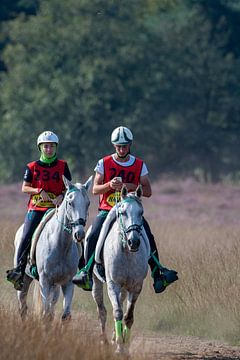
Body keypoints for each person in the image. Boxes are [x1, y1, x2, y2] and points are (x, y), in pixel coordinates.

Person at [72, 126, 178, 293]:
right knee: (93, 235)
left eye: (125, 146)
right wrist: (109, 185)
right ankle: (85, 271)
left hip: (130, 211)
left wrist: (129, 186)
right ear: (114, 146)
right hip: (108, 209)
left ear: (130, 145)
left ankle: (158, 273)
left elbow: (148, 191)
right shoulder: (104, 163)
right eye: (118, 146)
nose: (122, 149)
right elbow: (95, 190)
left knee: (148, 235)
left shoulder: (139, 165)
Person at [6, 131, 72, 291]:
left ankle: (81, 269)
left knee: (75, 234)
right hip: (37, 208)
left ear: (56, 148)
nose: (49, 149)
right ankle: (19, 272)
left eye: (52, 146)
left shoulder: (63, 166)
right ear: (40, 148)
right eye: (46, 146)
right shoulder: (32, 167)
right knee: (26, 235)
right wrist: (37, 190)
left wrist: (62, 196)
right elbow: (24, 187)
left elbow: (70, 188)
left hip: (57, 210)